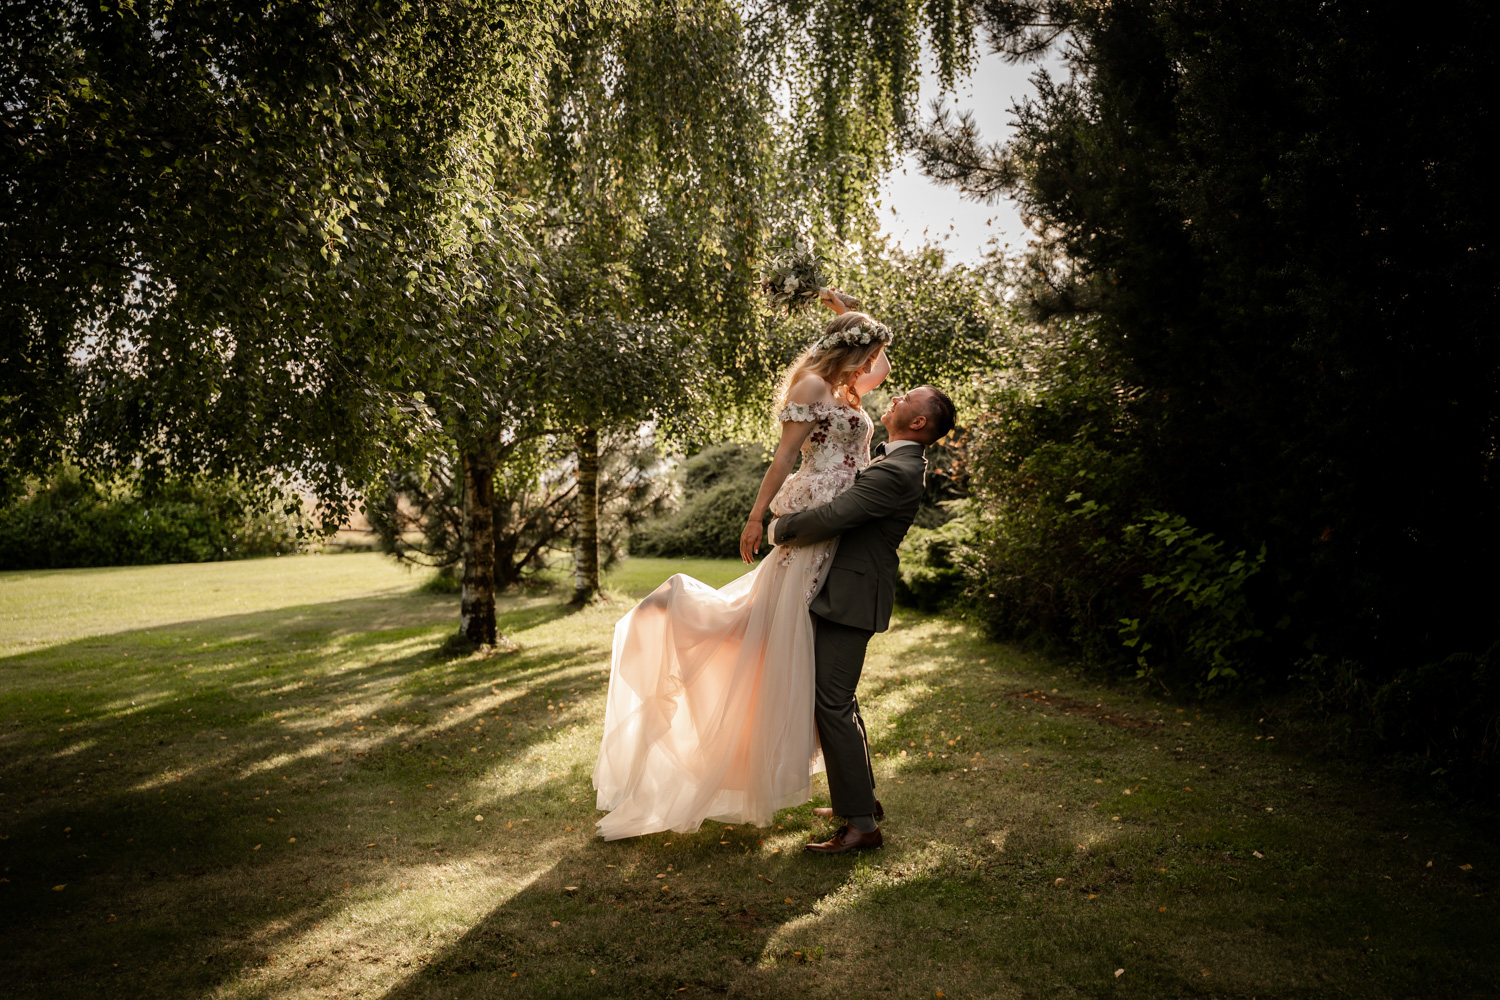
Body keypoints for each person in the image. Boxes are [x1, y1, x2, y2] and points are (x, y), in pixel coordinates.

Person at [591, 291, 892, 840]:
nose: (875, 366)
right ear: (850, 352)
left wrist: (852, 309)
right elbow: (782, 457)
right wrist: (756, 518)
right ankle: (847, 799)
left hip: (844, 522)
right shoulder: (813, 388)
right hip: (815, 518)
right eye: (867, 352)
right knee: (781, 637)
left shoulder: (849, 388)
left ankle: (854, 797)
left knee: (809, 654)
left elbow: (883, 363)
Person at [764, 381, 957, 853]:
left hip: (850, 596)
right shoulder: (896, 460)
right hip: (848, 590)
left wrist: (778, 526)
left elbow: (835, 516)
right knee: (838, 700)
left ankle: (862, 827)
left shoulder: (898, 471)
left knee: (831, 703)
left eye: (907, 398)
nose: (895, 397)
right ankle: (861, 801)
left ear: (918, 422)